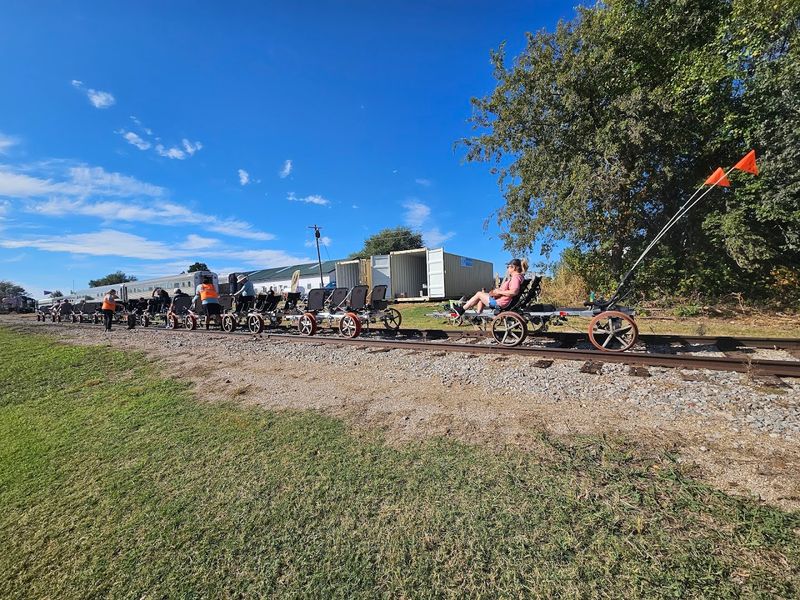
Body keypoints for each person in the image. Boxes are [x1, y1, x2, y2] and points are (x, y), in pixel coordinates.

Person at [453, 258, 527, 315]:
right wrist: (498, 291)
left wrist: (499, 292)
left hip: (501, 303)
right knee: (482, 297)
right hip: (504, 301)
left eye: (508, 267)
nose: (507, 269)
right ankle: (478, 315)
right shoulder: (520, 277)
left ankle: (461, 309)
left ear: (513, 267)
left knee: (479, 294)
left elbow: (514, 292)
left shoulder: (515, 277)